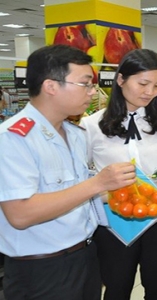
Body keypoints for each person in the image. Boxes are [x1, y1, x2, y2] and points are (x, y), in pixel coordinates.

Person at [0, 44, 136, 300]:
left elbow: (75, 194)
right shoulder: (14, 138)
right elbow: (19, 213)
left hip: (84, 256)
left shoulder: (74, 134)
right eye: (85, 84)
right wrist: (97, 184)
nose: (92, 91)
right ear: (51, 86)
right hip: (40, 269)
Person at [79, 48, 157, 300]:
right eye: (143, 83)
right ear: (121, 80)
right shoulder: (91, 126)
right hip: (115, 217)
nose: (150, 92)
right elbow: (81, 174)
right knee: (117, 285)